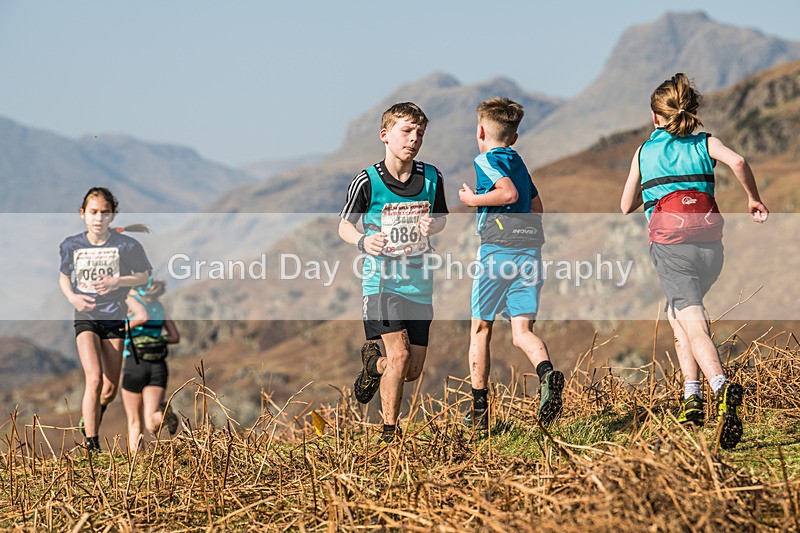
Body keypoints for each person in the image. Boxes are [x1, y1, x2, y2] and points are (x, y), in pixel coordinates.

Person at [621, 73, 768, 449]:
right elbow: (738, 161)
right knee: (678, 314)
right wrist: (753, 198)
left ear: (655, 117)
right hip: (710, 248)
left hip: (672, 249)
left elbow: (625, 207)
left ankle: (720, 387)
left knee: (691, 319)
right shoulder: (706, 143)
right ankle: (692, 397)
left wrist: (653, 190)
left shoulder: (644, 152)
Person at [339, 102, 448, 445]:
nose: (414, 138)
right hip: (381, 282)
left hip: (419, 283)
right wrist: (363, 241)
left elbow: (442, 217)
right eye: (406, 131)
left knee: (410, 371)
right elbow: (344, 225)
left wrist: (435, 224)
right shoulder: (367, 181)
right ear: (385, 136)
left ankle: (374, 367)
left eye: (419, 133)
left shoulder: (431, 177)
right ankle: (389, 433)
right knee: (399, 355)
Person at [458, 97, 563, 431]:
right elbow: (537, 206)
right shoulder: (519, 163)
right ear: (514, 137)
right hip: (529, 252)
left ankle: (480, 413)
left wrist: (473, 200)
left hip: (497, 252)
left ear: (480, 130)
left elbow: (508, 195)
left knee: (481, 327)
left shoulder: (486, 159)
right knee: (522, 332)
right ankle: (547, 374)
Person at [59, 187, 152, 453]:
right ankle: (92, 443)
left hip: (114, 317)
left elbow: (144, 275)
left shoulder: (127, 245)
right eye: (93, 212)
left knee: (109, 388)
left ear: (112, 216)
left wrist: (117, 281)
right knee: (94, 379)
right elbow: (64, 275)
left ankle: (93, 413)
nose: (99, 218)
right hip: (86, 315)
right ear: (83, 215)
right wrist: (72, 297)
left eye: (105, 213)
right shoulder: (71, 245)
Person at [121, 276, 180, 452]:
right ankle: (162, 415)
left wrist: (119, 329)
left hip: (135, 362)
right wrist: (157, 338)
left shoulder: (131, 302)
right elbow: (175, 337)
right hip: (158, 365)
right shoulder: (159, 306)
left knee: (134, 421)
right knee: (150, 421)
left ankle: (136, 463)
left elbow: (141, 318)